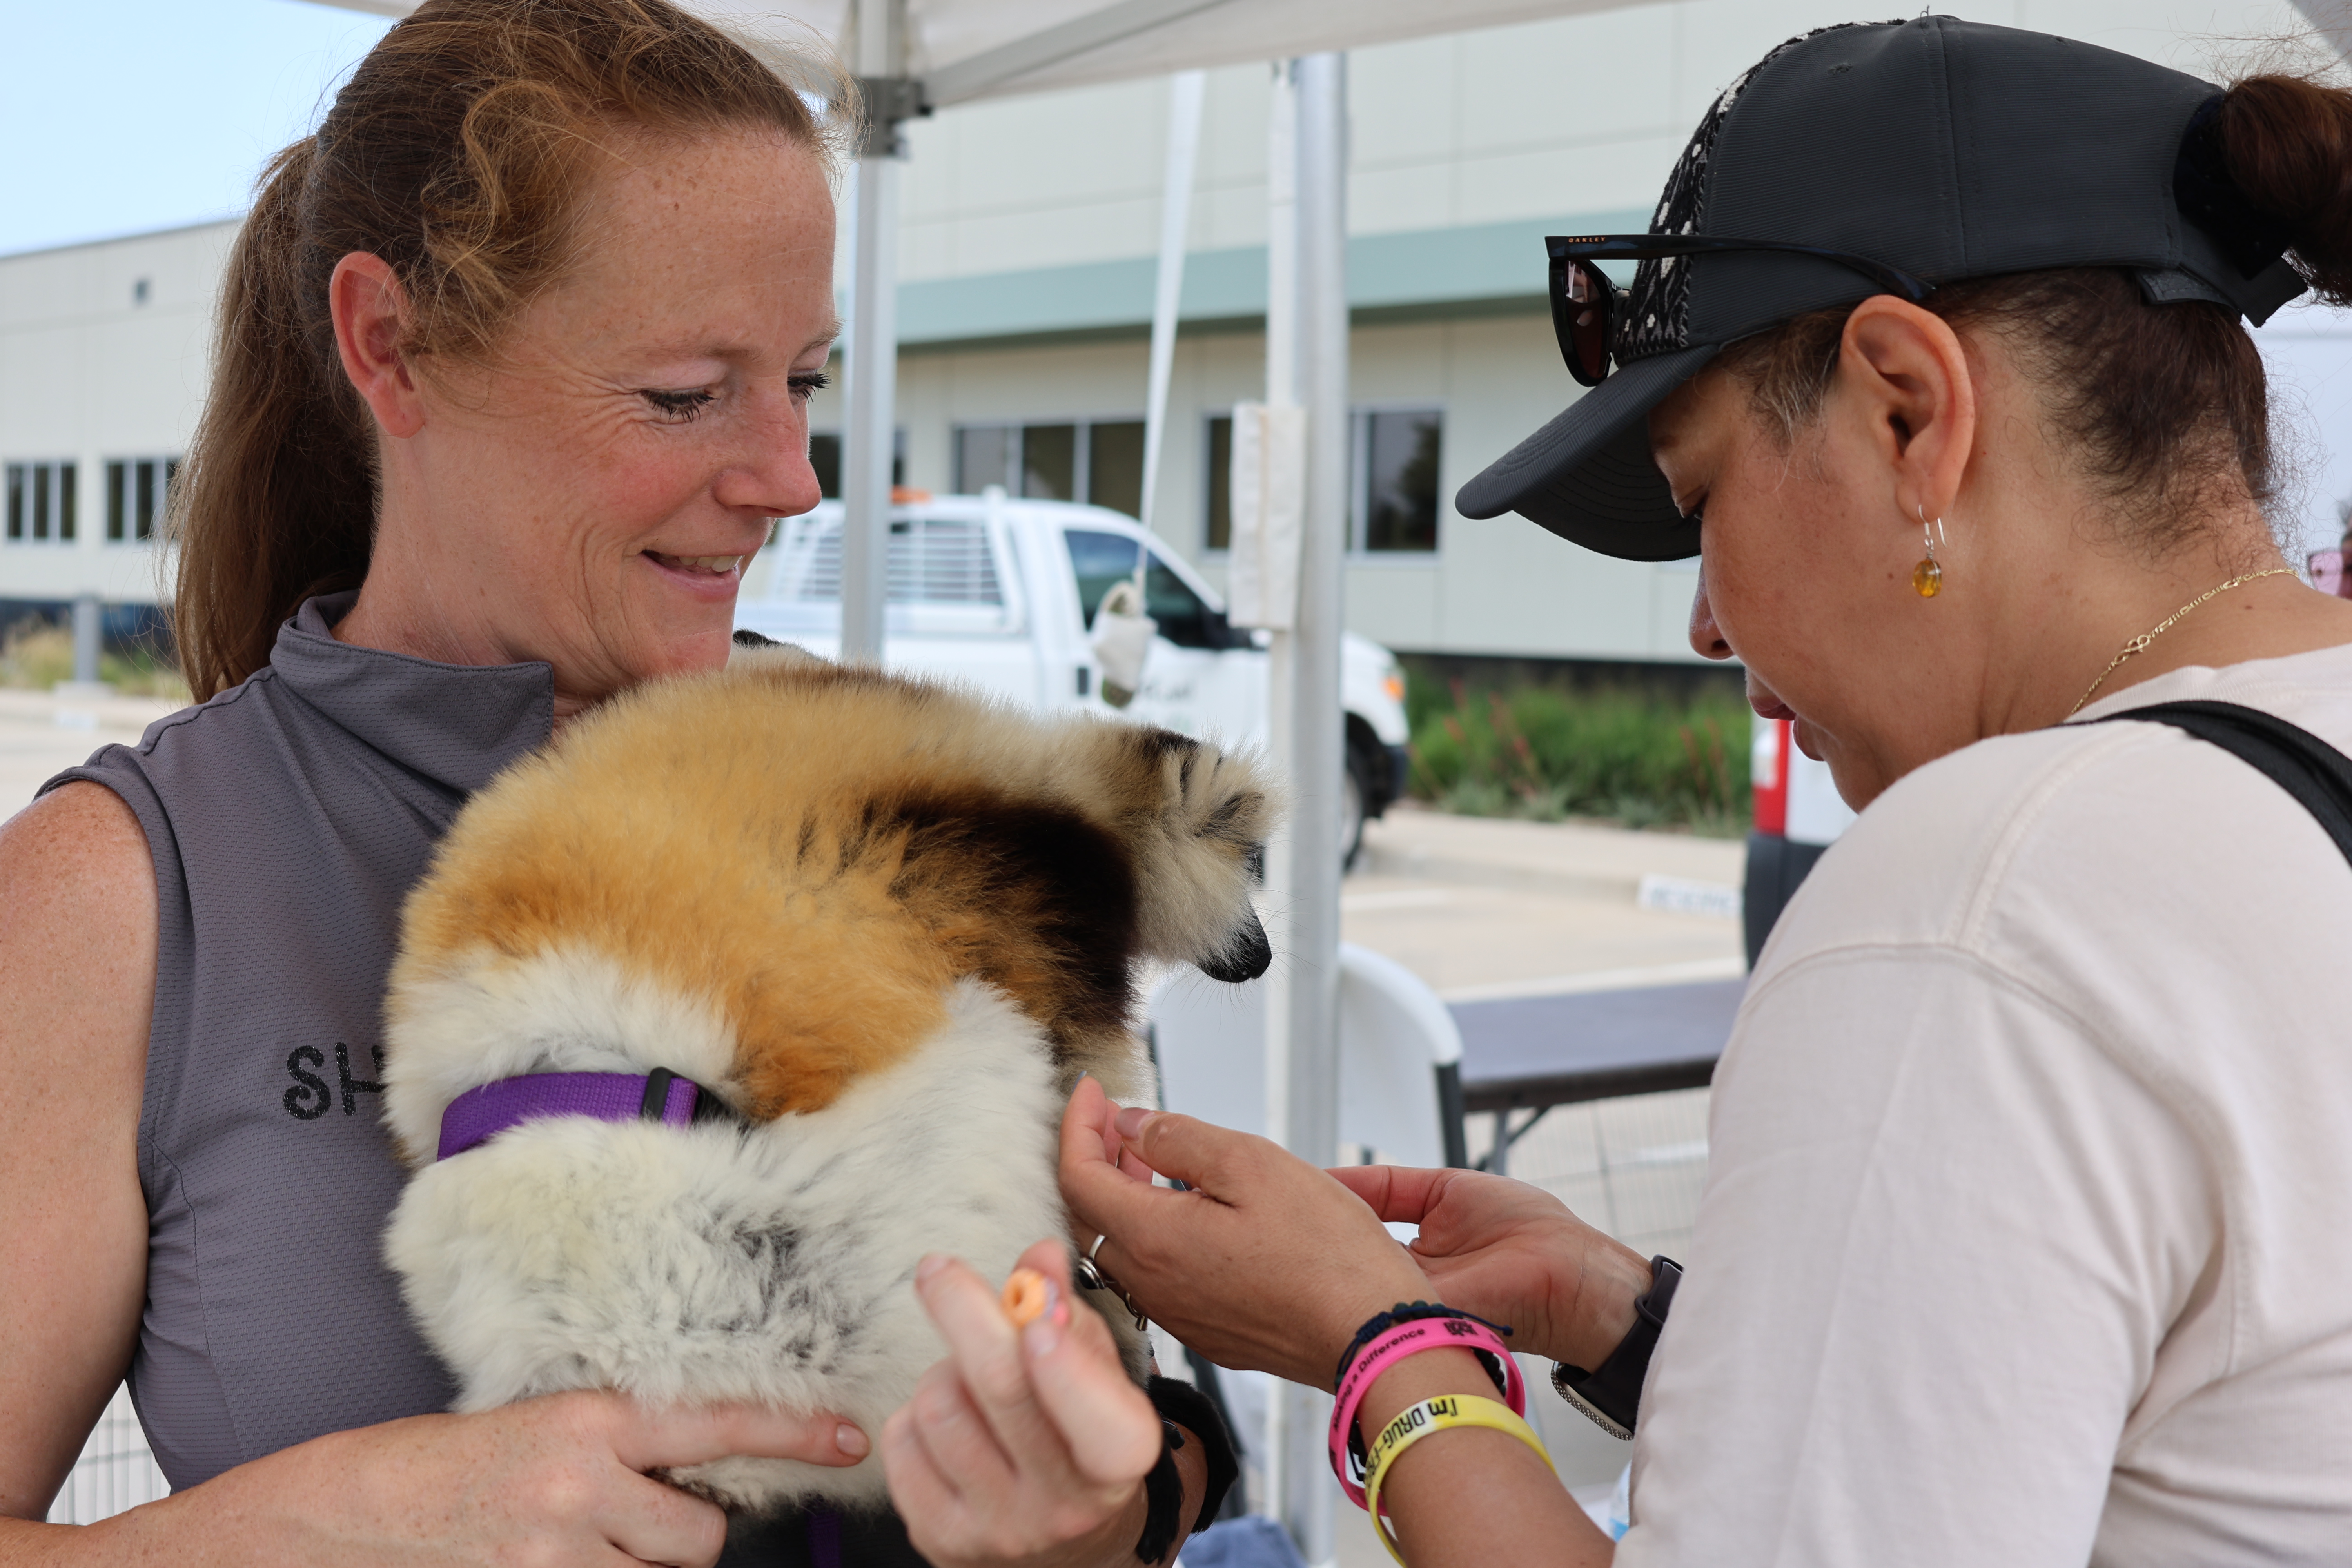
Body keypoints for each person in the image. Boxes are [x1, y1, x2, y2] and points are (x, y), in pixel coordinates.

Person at [1058, 17, 2352, 1567]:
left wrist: (1378, 1348)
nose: (1706, 625)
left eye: (1701, 500)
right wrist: (1637, 1318)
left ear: (1907, 412)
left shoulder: (1984, 899)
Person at [0, 2, 1209, 1564]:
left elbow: (1155, 1417)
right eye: (688, 394)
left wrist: (1107, 1505)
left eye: (805, 382)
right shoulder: (121, 891)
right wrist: (327, 1519)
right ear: (389, 344)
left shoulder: (905, 779)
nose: (790, 478)